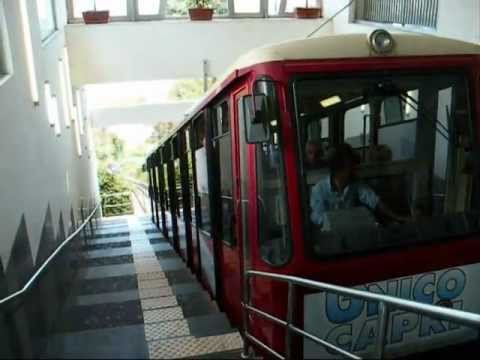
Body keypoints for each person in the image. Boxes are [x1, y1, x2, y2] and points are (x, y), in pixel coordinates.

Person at [310, 143, 407, 227]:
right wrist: (337, 220)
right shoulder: (319, 190)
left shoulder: (355, 184)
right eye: (349, 166)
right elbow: (317, 218)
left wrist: (398, 218)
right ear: (337, 168)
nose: (353, 170)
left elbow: (374, 200)